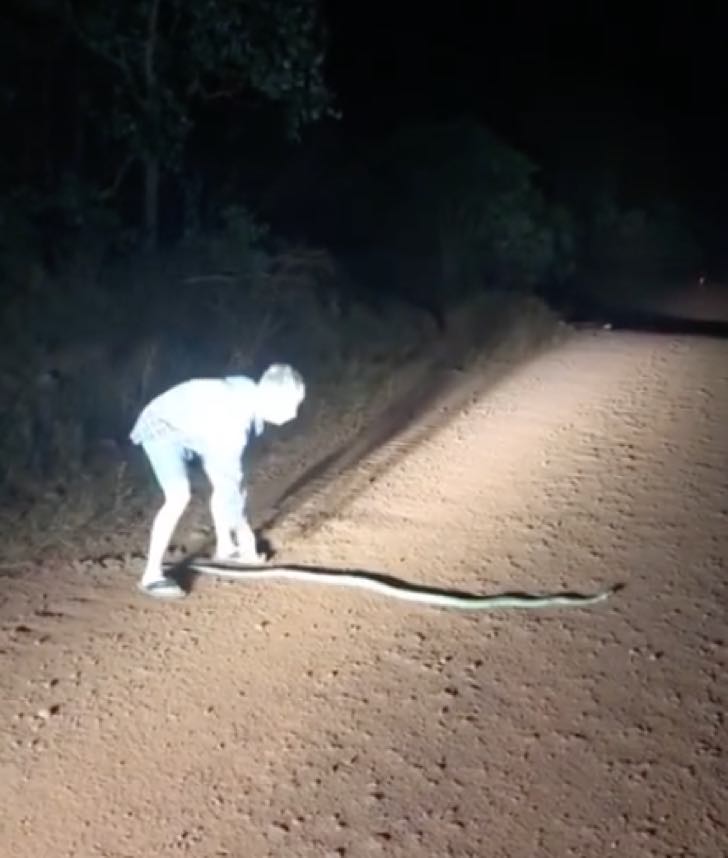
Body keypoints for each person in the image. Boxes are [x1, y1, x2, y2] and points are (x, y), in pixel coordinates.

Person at [129, 363, 305, 599]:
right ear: (271, 398)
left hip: (196, 429)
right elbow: (229, 482)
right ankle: (151, 576)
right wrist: (244, 535)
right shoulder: (233, 421)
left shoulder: (249, 393)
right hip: (162, 427)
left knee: (225, 482)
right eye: (290, 405)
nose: (294, 414)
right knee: (180, 494)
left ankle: (226, 548)